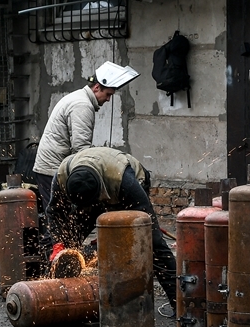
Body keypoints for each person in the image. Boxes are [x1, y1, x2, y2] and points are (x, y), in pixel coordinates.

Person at [47, 147, 176, 301]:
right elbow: (55, 212)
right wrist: (59, 244)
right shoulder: (62, 176)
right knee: (70, 242)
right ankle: (69, 297)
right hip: (95, 190)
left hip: (124, 190)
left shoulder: (125, 183)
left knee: (152, 246)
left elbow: (150, 231)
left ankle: (179, 303)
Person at [33, 62, 139, 213]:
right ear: (97, 87)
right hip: (52, 170)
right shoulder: (82, 105)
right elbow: (81, 149)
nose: (108, 99)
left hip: (51, 168)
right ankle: (52, 238)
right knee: (60, 221)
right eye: (108, 94)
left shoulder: (79, 98)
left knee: (61, 220)